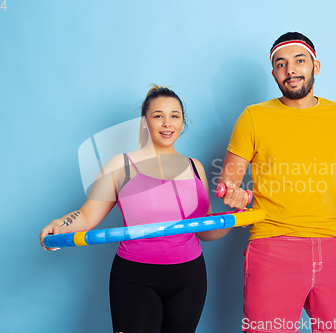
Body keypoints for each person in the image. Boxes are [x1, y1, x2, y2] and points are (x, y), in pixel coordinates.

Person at [217, 32, 336, 333]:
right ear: (274, 73)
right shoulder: (253, 117)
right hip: (272, 246)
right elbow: (228, 183)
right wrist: (233, 195)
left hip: (334, 246)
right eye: (281, 64)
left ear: (316, 65)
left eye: (299, 61)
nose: (290, 70)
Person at [39, 85, 213, 333]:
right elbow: (87, 215)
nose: (167, 123)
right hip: (135, 278)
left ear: (183, 122)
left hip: (190, 277)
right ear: (144, 122)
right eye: (158, 116)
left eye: (174, 116)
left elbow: (205, 229)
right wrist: (60, 225)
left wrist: (236, 215)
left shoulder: (195, 167)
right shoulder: (122, 165)